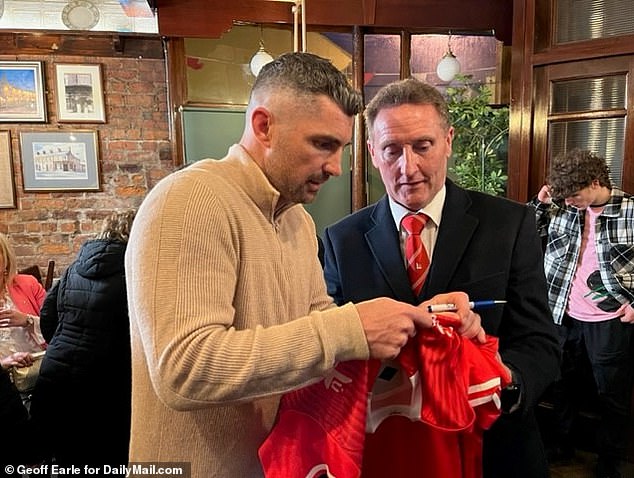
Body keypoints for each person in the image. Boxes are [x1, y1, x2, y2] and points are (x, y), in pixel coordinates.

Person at [124, 52, 483, 477]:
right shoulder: (189, 200)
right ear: (264, 126)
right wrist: (350, 329)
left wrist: (417, 322)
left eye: (341, 148)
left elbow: (316, 323)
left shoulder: (295, 218)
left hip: (283, 464)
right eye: (322, 144)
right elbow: (183, 367)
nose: (334, 167)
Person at [322, 78, 561, 478]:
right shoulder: (340, 240)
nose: (408, 167)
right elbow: (332, 352)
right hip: (391, 451)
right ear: (371, 153)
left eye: (422, 146)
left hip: (494, 449)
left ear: (448, 140)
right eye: (392, 150)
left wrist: (499, 377)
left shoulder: (509, 224)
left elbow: (540, 341)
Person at [529, 149, 634, 478]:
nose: (570, 202)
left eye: (575, 195)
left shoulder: (630, 209)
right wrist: (541, 204)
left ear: (595, 182)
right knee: (561, 385)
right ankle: (561, 445)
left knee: (611, 393)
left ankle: (609, 460)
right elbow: (527, 236)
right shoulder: (562, 206)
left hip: (610, 318)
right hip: (562, 312)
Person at [28, 210, 136, 472]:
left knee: (69, 461)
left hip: (56, 378)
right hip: (104, 385)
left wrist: (69, 346)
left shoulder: (74, 267)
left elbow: (47, 318)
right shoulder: (134, 270)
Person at [0, 233, 46, 397]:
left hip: (40, 371)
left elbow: (59, 326)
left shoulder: (29, 284)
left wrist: (28, 320)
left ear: (5, 258)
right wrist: (4, 364)